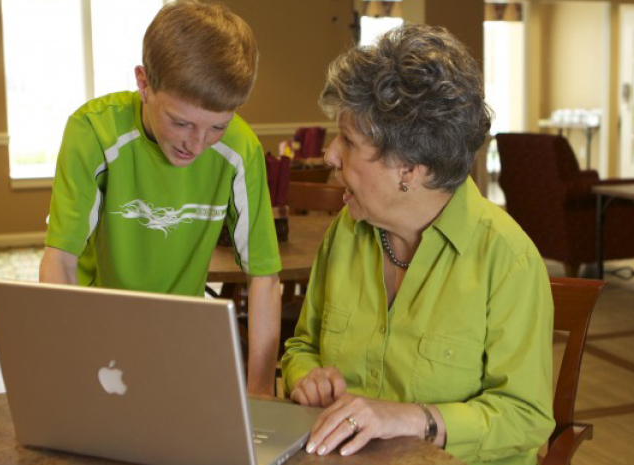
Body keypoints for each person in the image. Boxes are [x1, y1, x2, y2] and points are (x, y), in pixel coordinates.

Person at [281, 24, 555, 464]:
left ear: (410, 167)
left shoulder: (507, 259)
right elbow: (301, 346)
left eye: (349, 142)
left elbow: (525, 417)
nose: (331, 155)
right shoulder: (346, 232)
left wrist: (411, 419)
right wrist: (305, 375)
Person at [39, 1, 281, 395]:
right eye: (180, 122)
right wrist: (67, 360)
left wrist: (260, 393)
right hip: (94, 332)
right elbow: (60, 261)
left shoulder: (241, 149)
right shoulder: (93, 132)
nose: (197, 144)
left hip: (180, 338)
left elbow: (264, 279)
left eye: (217, 126)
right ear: (144, 82)